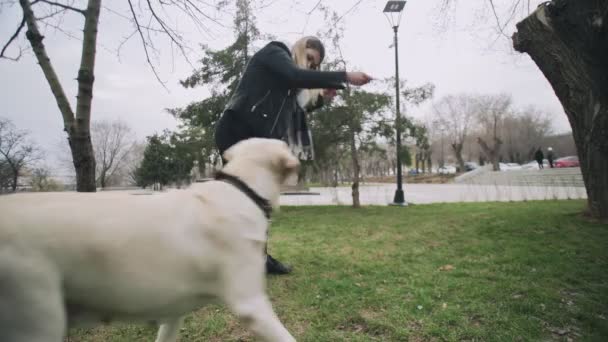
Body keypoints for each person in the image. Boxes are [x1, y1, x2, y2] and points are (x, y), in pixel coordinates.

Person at [215, 36, 373, 274]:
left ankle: (258, 258)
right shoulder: (275, 52)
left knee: (259, 201)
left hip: (261, 143)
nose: (309, 66)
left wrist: (322, 99)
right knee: (240, 199)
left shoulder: (290, 88)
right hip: (238, 131)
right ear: (301, 46)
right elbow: (295, 76)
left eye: (313, 65)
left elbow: (296, 108)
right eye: (309, 58)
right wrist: (345, 76)